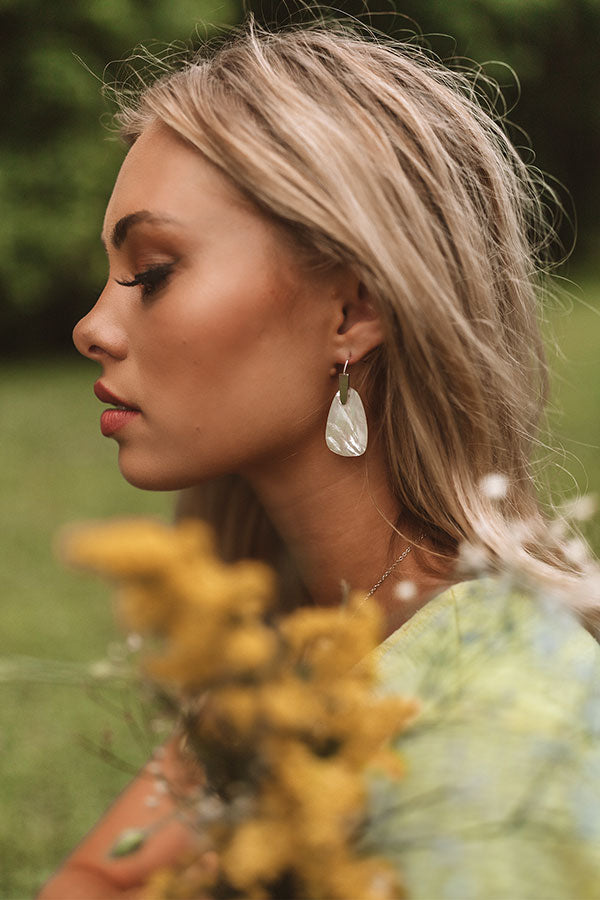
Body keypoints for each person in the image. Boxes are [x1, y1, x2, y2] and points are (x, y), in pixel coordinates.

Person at [39, 19, 600, 899]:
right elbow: (97, 880)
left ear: (351, 313)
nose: (92, 327)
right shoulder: (297, 635)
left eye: (152, 273)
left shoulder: (504, 716)